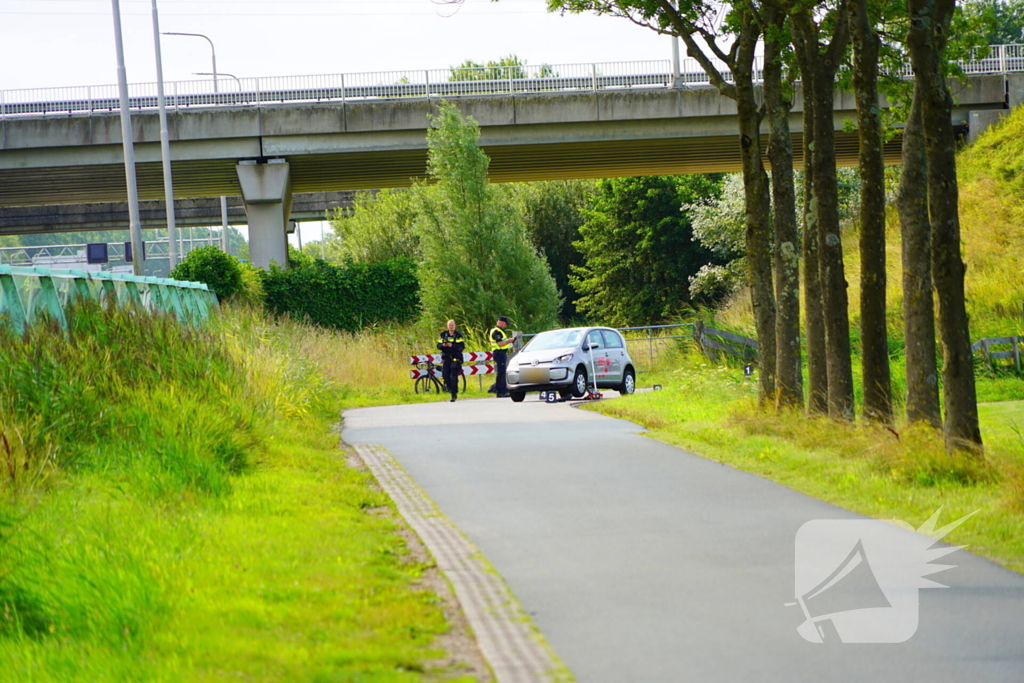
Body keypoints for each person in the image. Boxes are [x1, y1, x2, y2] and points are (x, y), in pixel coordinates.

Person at [437, 319, 465, 402]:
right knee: (445, 375)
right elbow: (438, 346)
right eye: (449, 325)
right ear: (447, 326)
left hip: (455, 358)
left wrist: (452, 345)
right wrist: (443, 345)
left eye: (452, 325)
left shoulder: (458, 335)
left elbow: (461, 347)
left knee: (453, 377)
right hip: (446, 358)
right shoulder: (443, 335)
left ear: (455, 326)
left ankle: (453, 394)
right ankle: (450, 388)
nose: (451, 327)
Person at [488, 316, 515, 398]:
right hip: (499, 353)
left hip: (500, 353)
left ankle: (502, 390)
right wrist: (509, 341)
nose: (506, 326)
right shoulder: (497, 332)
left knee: (502, 372)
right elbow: (500, 344)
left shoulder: (498, 331)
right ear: (502, 322)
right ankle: (500, 391)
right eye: (506, 324)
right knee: (501, 373)